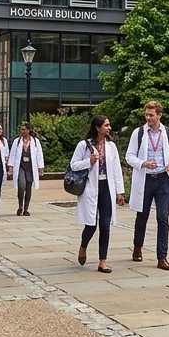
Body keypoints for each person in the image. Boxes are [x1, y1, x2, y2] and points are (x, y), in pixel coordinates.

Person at [125, 100, 169, 270]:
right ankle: (137, 247)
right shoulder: (139, 133)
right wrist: (143, 163)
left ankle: (162, 257)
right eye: (146, 115)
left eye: (151, 115)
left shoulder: (168, 133)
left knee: (163, 218)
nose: (148, 118)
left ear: (159, 115)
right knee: (142, 217)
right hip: (146, 179)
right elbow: (129, 156)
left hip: (163, 179)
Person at [70, 115, 124, 274]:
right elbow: (73, 165)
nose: (109, 128)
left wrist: (119, 192)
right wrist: (89, 161)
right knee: (91, 225)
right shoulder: (84, 146)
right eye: (106, 125)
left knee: (105, 225)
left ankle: (102, 262)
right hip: (90, 189)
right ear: (98, 128)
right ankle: (83, 246)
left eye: (109, 125)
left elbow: (116, 169)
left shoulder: (111, 146)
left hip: (106, 187)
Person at [11, 124, 45, 216]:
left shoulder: (35, 141)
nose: (22, 131)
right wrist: (11, 166)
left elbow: (39, 154)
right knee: (21, 185)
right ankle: (20, 206)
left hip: (30, 166)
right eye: (21, 129)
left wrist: (40, 166)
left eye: (24, 129)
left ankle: (26, 209)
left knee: (28, 187)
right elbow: (13, 154)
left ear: (29, 130)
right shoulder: (17, 141)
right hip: (21, 166)